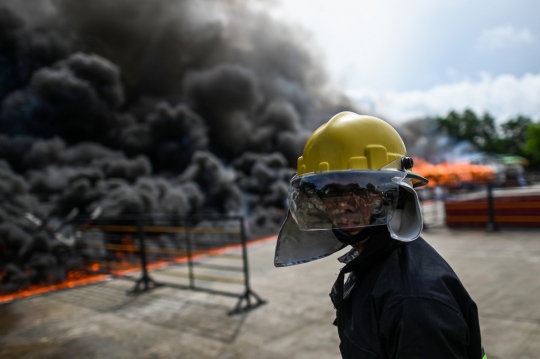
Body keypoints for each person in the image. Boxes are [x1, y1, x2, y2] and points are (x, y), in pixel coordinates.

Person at [274, 112, 486, 359]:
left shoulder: (413, 300)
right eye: (330, 190)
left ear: (394, 193)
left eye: (364, 189)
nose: (345, 205)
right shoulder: (374, 260)